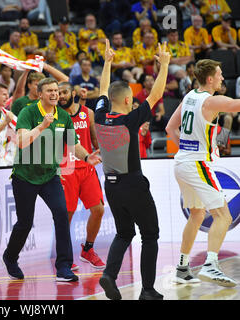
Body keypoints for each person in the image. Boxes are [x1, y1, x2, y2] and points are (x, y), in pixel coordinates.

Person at [1, 77, 102, 282]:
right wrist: (41, 126)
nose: (55, 94)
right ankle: (10, 257)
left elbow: (74, 144)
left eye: (56, 90)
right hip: (25, 176)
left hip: (50, 176)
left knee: (62, 215)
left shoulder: (63, 116)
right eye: (50, 91)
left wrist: (86, 157)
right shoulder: (28, 112)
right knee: (25, 223)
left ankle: (63, 267)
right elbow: (20, 142)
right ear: (40, 94)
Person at [97, 40, 170, 300]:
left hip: (111, 185)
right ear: (128, 99)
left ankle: (109, 275)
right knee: (150, 235)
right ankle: (147, 290)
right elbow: (156, 94)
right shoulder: (129, 120)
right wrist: (165, 65)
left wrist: (107, 62)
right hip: (133, 184)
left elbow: (103, 89)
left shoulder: (100, 115)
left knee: (124, 232)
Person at [165, 59, 238, 287]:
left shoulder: (188, 97)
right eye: (219, 74)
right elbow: (236, 105)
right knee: (223, 216)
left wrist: (187, 149)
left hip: (181, 164)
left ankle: (182, 268)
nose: (222, 78)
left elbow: (170, 128)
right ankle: (211, 265)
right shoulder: (210, 101)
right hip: (197, 164)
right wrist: (196, 153)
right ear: (209, 79)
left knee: (197, 215)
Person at [57, 81, 105, 269]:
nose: (61, 96)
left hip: (86, 167)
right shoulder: (55, 116)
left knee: (98, 210)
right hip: (66, 168)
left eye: (64, 92)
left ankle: (88, 249)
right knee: (66, 216)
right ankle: (65, 258)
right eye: (58, 93)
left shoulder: (88, 113)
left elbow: (94, 141)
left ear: (73, 93)